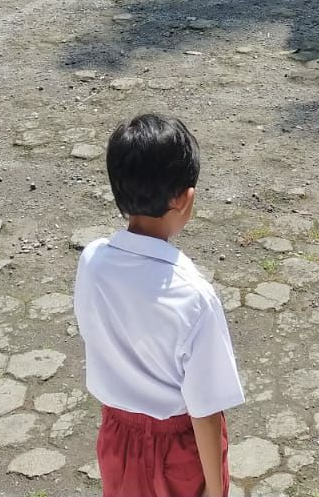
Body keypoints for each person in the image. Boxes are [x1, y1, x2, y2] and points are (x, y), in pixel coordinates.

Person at [74, 115, 244, 497]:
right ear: (185, 198)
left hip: (116, 436)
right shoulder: (194, 296)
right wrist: (215, 489)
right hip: (177, 448)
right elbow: (205, 410)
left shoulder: (92, 261)